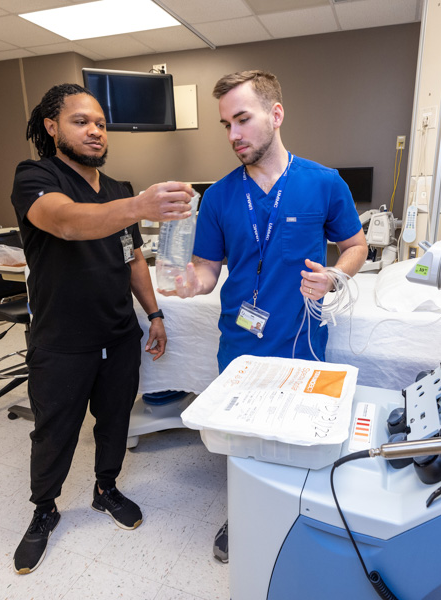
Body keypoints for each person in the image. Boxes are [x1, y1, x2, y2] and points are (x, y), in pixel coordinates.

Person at [159, 70, 368, 563]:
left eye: (242, 119)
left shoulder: (323, 183)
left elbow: (355, 245)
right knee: (246, 443)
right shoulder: (220, 196)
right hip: (242, 344)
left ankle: (304, 519)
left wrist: (336, 276)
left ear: (275, 115)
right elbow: (209, 269)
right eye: (225, 124)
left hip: (304, 341)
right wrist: (194, 282)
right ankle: (247, 512)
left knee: (300, 435)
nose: (232, 135)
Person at [9, 82, 193, 574]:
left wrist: (152, 313)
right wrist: (141, 205)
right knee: (56, 431)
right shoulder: (35, 177)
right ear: (52, 128)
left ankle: (105, 489)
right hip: (62, 339)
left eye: (100, 123)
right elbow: (67, 223)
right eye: (81, 121)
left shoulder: (115, 189)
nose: (95, 131)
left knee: (115, 421)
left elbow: (131, 255)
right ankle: (43, 510)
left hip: (117, 332)